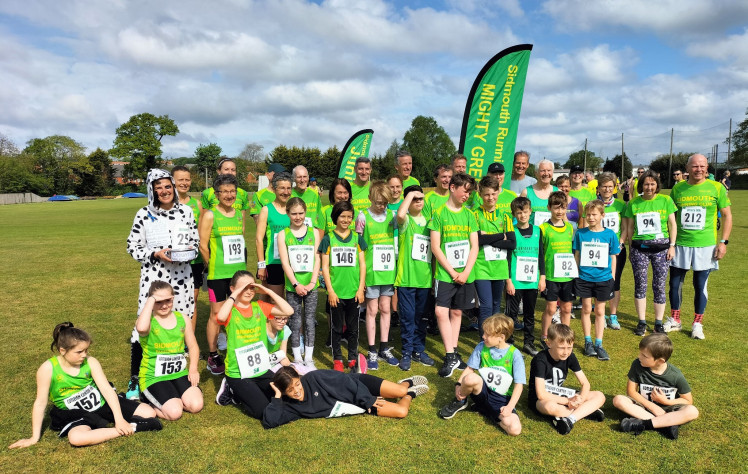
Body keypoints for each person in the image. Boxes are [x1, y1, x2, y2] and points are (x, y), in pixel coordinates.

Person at [9, 323, 161, 449]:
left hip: (100, 403)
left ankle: (120, 425)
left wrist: (119, 418)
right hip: (75, 413)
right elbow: (40, 403)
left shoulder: (90, 362)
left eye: (86, 350)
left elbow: (106, 390)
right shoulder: (47, 369)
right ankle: (134, 427)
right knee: (77, 438)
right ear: (63, 351)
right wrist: (34, 437)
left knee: (149, 412)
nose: (84, 355)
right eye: (79, 351)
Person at [126, 168, 198, 399]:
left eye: (168, 186)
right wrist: (156, 253)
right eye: (159, 188)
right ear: (152, 190)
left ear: (174, 188)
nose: (164, 191)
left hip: (182, 277)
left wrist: (189, 252)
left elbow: (195, 242)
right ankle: (136, 379)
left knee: (180, 322)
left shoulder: (186, 212)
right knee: (145, 326)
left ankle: (176, 373)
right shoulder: (143, 214)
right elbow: (132, 246)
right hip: (155, 277)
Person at [666, 154, 732, 340]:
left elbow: (727, 215)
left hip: (705, 246)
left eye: (702, 166)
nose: (699, 169)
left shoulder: (717, 188)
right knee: (674, 284)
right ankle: (675, 320)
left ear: (707, 167)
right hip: (681, 244)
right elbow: (671, 218)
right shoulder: (678, 189)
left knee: (700, 285)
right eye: (695, 166)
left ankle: (697, 323)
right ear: (687, 168)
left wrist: (723, 242)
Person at [213, 271, 294, 419]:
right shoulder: (230, 310)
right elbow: (220, 317)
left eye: (251, 287)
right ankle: (231, 390)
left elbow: (288, 310)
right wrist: (233, 295)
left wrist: (268, 291)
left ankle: (241, 393)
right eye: (243, 288)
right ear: (233, 289)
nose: (249, 291)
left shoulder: (260, 307)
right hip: (238, 373)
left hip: (260, 369)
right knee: (262, 411)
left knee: (285, 395)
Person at [438, 315, 524, 436]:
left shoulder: (515, 355)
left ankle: (487, 411)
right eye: (484, 333)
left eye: (488, 335)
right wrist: (458, 385)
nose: (483, 336)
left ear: (501, 337)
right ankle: (460, 402)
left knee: (515, 429)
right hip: (481, 392)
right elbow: (469, 369)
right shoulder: (481, 347)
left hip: (502, 400)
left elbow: (519, 385)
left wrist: (509, 407)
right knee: (470, 378)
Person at [429, 172, 479, 377]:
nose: (467, 195)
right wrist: (452, 271)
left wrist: (465, 272)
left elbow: (474, 246)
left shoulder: (469, 215)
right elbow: (435, 247)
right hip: (445, 273)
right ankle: (449, 355)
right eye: (464, 190)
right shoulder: (439, 214)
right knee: (441, 311)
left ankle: (455, 352)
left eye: (469, 192)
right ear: (452, 187)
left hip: (466, 273)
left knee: (457, 312)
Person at [262, 367, 429, 428]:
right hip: (355, 405)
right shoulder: (292, 405)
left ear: (300, 378)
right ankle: (411, 393)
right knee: (401, 411)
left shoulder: (314, 378)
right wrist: (277, 397)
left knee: (399, 390)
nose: (297, 391)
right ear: (284, 392)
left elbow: (344, 380)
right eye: (290, 390)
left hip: (356, 385)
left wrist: (367, 399)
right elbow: (271, 421)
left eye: (297, 384)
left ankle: (406, 384)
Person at [198, 174, 247, 376]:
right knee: (217, 315)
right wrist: (212, 265)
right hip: (218, 275)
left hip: (238, 275)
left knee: (237, 313)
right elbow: (202, 244)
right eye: (225, 192)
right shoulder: (210, 214)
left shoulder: (238, 214)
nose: (229, 195)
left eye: (232, 191)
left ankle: (237, 349)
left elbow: (240, 240)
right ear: (217, 194)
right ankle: (213, 354)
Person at [136, 281, 203, 420]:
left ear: (173, 298)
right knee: (175, 413)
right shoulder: (147, 320)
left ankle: (173, 398)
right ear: (151, 301)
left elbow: (193, 347)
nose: (164, 305)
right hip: (153, 377)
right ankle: (149, 398)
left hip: (179, 373)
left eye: (168, 300)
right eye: (159, 301)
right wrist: (151, 299)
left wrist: (193, 369)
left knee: (196, 405)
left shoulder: (182, 318)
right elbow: (141, 329)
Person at [613, 334, 699, 439]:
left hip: (668, 410)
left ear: (660, 361)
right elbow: (631, 392)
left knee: (693, 411)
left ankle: (644, 424)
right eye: (640, 353)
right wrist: (652, 407)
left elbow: (688, 400)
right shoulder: (637, 365)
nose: (639, 356)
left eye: (644, 356)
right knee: (618, 400)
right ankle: (666, 425)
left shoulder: (676, 375)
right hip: (643, 408)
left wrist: (665, 402)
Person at [622, 170, 677, 335]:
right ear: (641, 185)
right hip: (640, 250)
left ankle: (658, 322)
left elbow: (673, 224)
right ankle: (642, 321)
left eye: (652, 184)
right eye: (646, 184)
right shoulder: (633, 203)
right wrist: (631, 247)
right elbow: (630, 227)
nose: (649, 187)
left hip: (662, 250)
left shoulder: (666, 200)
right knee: (640, 285)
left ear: (657, 185)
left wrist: (672, 245)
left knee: (659, 286)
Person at [528, 324, 606, 435]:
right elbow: (541, 394)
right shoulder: (540, 360)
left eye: (569, 348)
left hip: (562, 396)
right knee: (550, 407)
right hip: (542, 400)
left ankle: (570, 419)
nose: (566, 352)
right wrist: (568, 401)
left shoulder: (570, 356)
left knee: (599, 395)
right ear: (549, 343)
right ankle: (584, 411)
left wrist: (580, 400)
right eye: (561, 348)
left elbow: (585, 384)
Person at [356, 181, 398, 369]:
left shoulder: (393, 215)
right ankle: (372, 350)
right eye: (378, 202)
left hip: (388, 271)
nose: (382, 206)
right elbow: (359, 246)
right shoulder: (363, 216)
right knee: (372, 311)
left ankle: (384, 347)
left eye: (385, 203)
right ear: (370, 199)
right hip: (372, 272)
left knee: (386, 309)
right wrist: (361, 274)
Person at [320, 201, 367, 372]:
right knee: (337, 328)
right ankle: (338, 359)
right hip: (336, 293)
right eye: (342, 216)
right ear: (335, 217)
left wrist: (361, 288)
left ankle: (352, 358)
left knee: (354, 328)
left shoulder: (357, 238)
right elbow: (325, 267)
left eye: (349, 217)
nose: (346, 220)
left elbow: (362, 265)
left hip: (354, 292)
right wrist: (330, 291)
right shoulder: (328, 239)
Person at [394, 185, 436, 371]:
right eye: (414, 199)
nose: (418, 202)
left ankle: (418, 350)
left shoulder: (429, 222)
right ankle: (406, 351)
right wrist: (410, 194)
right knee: (408, 317)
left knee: (421, 317)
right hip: (406, 280)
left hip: (425, 280)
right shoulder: (406, 222)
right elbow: (400, 215)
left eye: (421, 199)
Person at [573, 200, 620, 361]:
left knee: (600, 311)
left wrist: (613, 276)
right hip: (584, 278)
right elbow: (577, 255)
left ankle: (599, 344)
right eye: (588, 215)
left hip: (604, 278)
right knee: (586, 309)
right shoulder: (580, 233)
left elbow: (613, 256)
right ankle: (588, 342)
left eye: (594, 214)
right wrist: (576, 272)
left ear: (602, 215)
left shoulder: (610, 234)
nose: (591, 217)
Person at [277, 197, 321, 369]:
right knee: (295, 321)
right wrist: (295, 284)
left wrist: (312, 282)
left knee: (309, 320)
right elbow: (285, 262)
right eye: (293, 213)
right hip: (293, 286)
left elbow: (317, 258)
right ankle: (296, 357)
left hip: (311, 286)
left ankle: (308, 357)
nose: (297, 217)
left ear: (305, 213)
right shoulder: (283, 234)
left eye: (301, 213)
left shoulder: (314, 233)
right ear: (287, 214)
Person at [473, 176, 516, 335]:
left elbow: (511, 243)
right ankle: (484, 340)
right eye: (486, 194)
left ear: (498, 192)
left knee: (497, 304)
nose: (490, 197)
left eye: (493, 194)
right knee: (486, 305)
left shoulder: (505, 216)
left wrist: (487, 238)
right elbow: (477, 240)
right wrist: (500, 236)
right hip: (481, 266)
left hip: (500, 267)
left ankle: (496, 337)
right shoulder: (475, 215)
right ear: (480, 195)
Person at [506, 197, 546, 356]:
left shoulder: (537, 231)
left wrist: (542, 277)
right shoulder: (511, 232)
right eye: (519, 212)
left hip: (532, 280)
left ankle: (528, 343)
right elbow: (507, 258)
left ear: (530, 212)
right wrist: (508, 280)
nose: (522, 215)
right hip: (515, 281)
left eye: (525, 211)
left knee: (530, 314)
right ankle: (509, 343)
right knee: (511, 315)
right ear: (514, 214)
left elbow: (540, 255)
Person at [539, 191, 577, 348]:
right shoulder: (543, 228)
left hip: (567, 276)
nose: (559, 211)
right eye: (556, 208)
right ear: (549, 208)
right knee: (551, 308)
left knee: (567, 308)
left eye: (563, 208)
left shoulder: (569, 228)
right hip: (551, 276)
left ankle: (564, 337)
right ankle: (545, 337)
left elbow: (573, 252)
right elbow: (540, 254)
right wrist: (542, 276)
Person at [594, 172, 628, 330]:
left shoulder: (621, 205)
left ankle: (613, 315)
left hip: (616, 251)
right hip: (597, 249)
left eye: (610, 186)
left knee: (615, 282)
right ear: (598, 188)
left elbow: (625, 228)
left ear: (615, 188)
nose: (607, 189)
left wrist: (620, 243)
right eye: (604, 186)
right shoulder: (593, 204)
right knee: (596, 281)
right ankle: (599, 312)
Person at [172, 165, 203, 329]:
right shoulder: (166, 204)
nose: (184, 183)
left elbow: (201, 233)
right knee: (171, 301)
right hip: (171, 261)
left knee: (192, 300)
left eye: (187, 179)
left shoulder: (197, 204)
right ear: (172, 181)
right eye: (180, 180)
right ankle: (173, 340)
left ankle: (188, 342)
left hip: (193, 262)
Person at [256, 172, 293, 298]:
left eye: (288, 188)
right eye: (282, 188)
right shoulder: (266, 209)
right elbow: (259, 239)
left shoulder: (295, 210)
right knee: (276, 301)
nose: (286, 192)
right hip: (274, 261)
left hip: (293, 262)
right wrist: (261, 265)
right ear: (275, 189)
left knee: (292, 301)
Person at [201, 157, 251, 223]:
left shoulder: (243, 193)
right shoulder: (207, 193)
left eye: (233, 170)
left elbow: (242, 222)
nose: (230, 172)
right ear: (218, 171)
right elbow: (204, 222)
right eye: (226, 169)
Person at [520, 159, 557, 226]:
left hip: (552, 234)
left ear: (552, 172)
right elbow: (518, 215)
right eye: (542, 171)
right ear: (536, 173)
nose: (546, 174)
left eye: (549, 170)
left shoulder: (558, 192)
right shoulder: (526, 192)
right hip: (531, 234)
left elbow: (563, 217)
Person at [291, 165, 323, 236]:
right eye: (299, 177)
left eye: (305, 177)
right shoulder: (289, 194)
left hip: (311, 236)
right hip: (293, 235)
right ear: (294, 178)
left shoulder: (314, 194)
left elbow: (320, 218)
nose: (302, 180)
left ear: (308, 178)